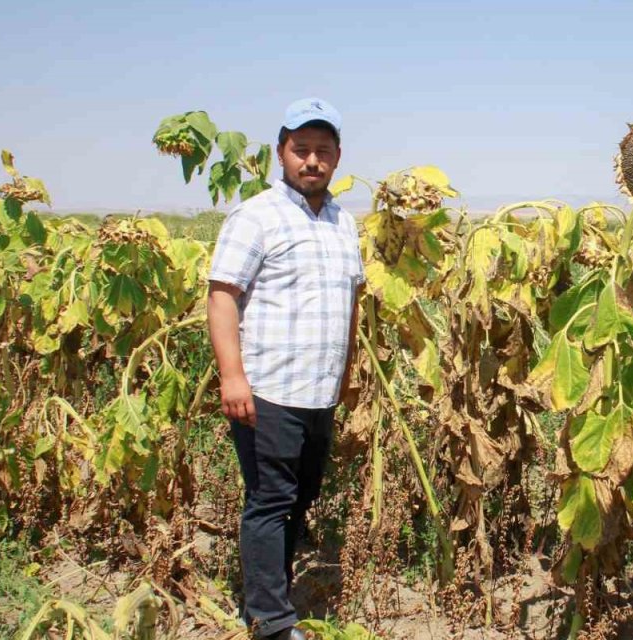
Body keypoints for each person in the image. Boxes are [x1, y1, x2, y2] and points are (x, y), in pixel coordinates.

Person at [207, 97, 364, 640]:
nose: (312, 161)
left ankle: (273, 588)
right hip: (269, 387)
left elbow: (352, 300)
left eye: (323, 150)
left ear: (338, 157)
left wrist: (347, 370)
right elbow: (223, 296)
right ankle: (271, 621)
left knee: (302, 494)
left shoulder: (344, 223)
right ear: (281, 154)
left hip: (320, 391)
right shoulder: (256, 216)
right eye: (301, 150)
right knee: (270, 499)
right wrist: (232, 377)